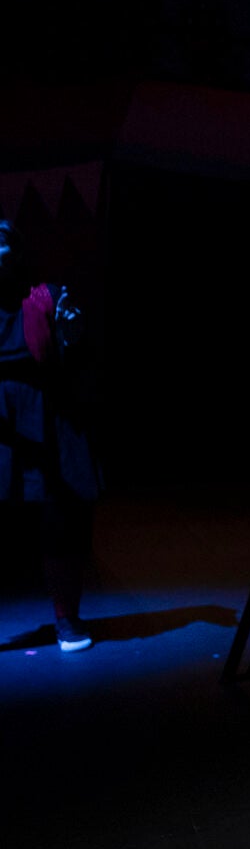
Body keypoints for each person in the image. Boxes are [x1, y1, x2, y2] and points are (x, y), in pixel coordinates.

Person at [0, 215, 101, 653]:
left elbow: (76, 355)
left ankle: (66, 619)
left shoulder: (46, 296)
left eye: (1, 242)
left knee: (62, 521)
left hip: (46, 417)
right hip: (2, 424)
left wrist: (71, 334)